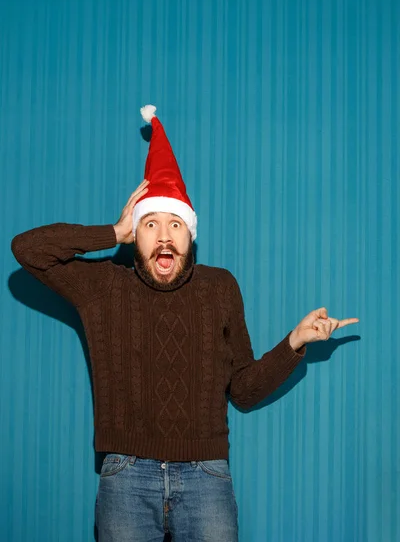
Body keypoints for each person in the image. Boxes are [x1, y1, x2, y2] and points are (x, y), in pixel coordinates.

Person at [11, 105, 359, 542]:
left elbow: (245, 390)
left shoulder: (220, 287)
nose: (163, 235)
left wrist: (295, 341)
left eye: (175, 224)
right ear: (135, 235)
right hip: (125, 476)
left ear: (189, 236)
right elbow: (28, 249)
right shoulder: (103, 286)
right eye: (150, 223)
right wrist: (110, 233)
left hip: (206, 478)